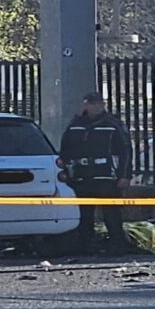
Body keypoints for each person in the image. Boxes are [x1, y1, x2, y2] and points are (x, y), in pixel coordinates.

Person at [59, 92, 133, 254]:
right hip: (82, 176)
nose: (96, 107)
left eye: (99, 103)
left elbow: (125, 151)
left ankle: (117, 246)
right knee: (84, 214)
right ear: (85, 105)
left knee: (111, 214)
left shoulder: (113, 124)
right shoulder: (75, 124)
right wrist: (65, 170)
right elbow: (65, 150)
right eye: (92, 103)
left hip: (106, 176)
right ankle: (85, 247)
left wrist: (125, 176)